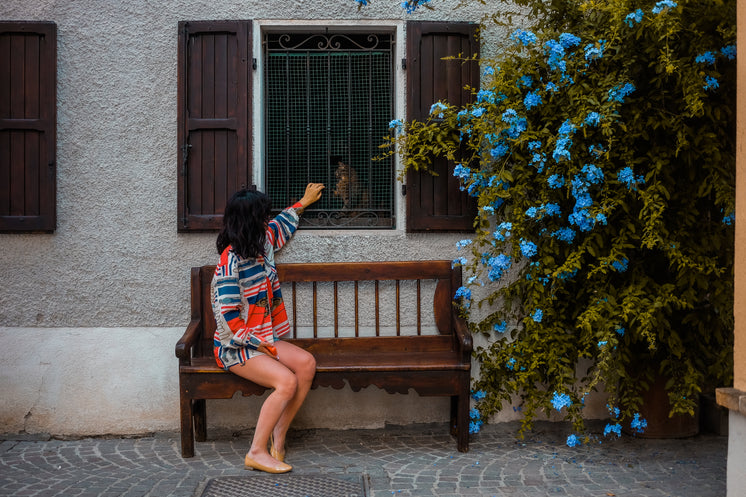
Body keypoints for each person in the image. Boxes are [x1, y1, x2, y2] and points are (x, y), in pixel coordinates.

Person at [212, 183, 325, 473]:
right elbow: (229, 319)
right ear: (249, 222)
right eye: (261, 217)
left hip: (262, 340)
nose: (266, 221)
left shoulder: (261, 244)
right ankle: (256, 452)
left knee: (307, 364)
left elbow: (279, 226)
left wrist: (302, 202)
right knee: (286, 381)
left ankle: (279, 436)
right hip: (234, 348)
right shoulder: (229, 263)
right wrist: (258, 344)